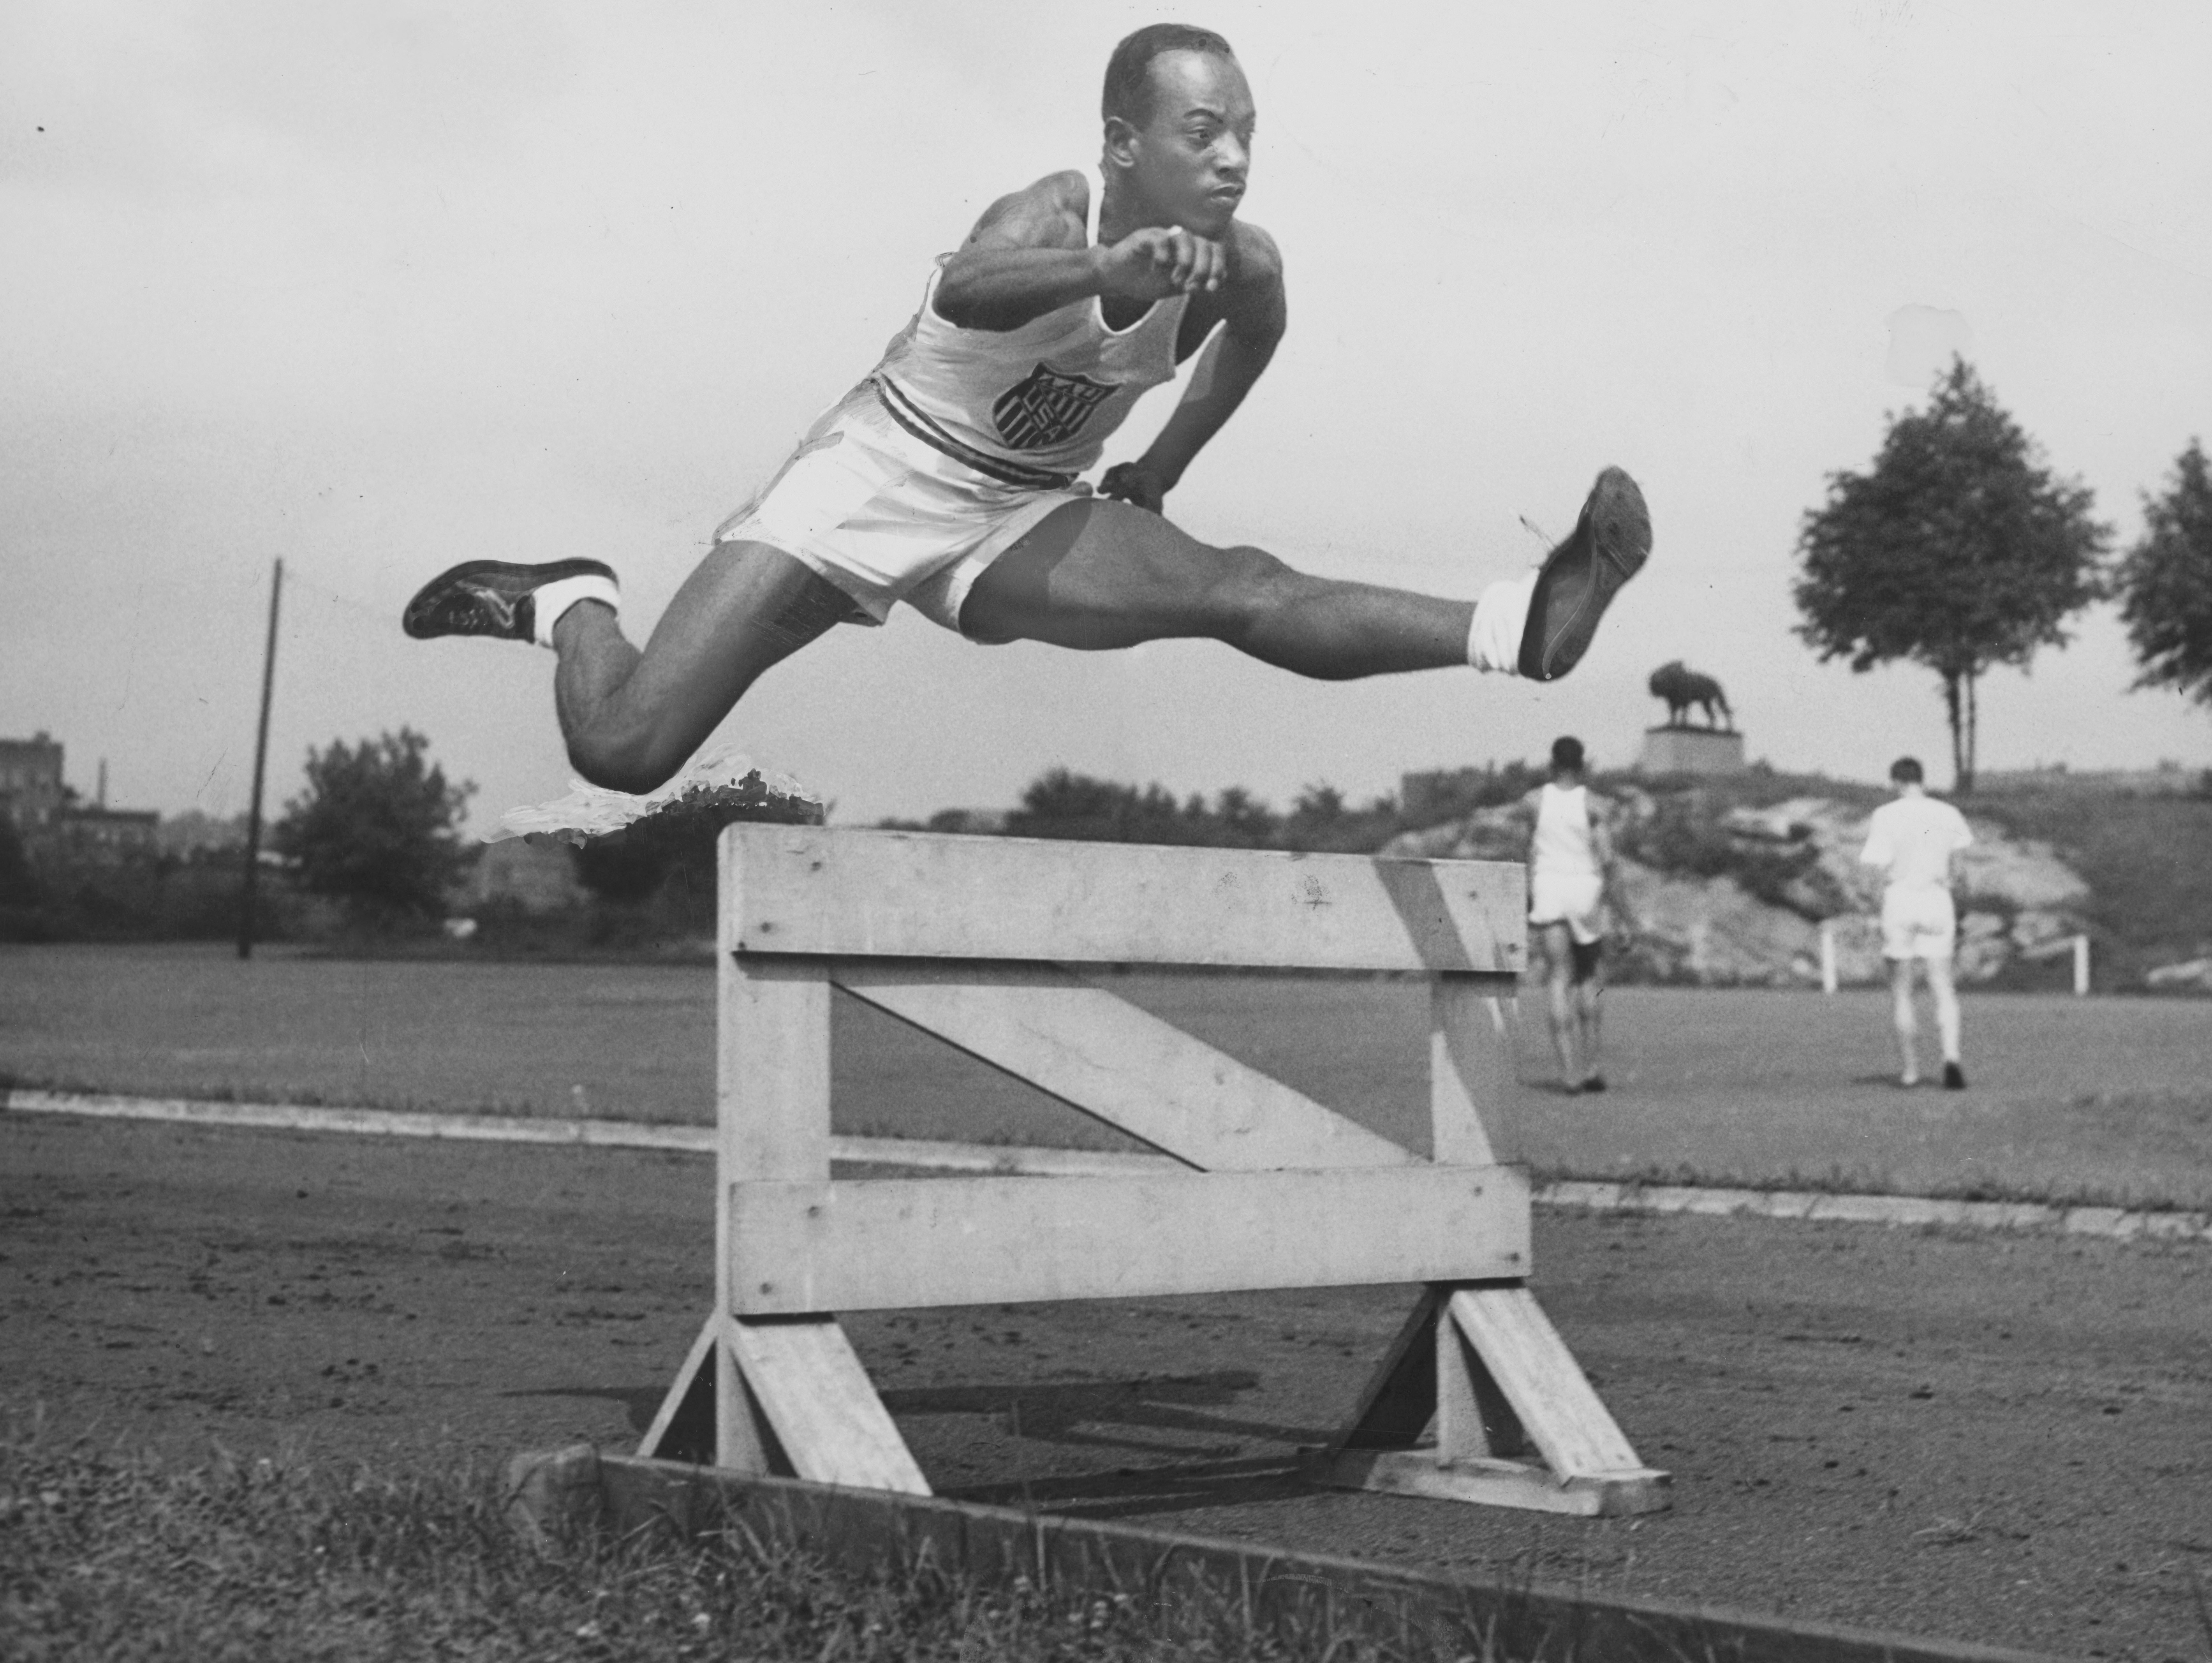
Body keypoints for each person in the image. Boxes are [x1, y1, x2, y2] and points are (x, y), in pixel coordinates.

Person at [401, 24, 1652, 796]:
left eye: (1248, 135)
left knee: (1239, 586)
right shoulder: (1052, 215)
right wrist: (1104, 277)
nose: (1234, 159)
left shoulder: (1246, 264)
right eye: (1203, 131)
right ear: (1125, 145)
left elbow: (1255, 339)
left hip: (1015, 514)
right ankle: (569, 601)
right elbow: (967, 286)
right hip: (872, 480)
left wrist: (1160, 466)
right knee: (624, 750)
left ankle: (1519, 628)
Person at [1858, 756, 1974, 1089]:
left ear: (1896, 781)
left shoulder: (1886, 815)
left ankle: (1910, 1071)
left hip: (1900, 900)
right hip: (1937, 899)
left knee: (1902, 991)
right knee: (1943, 987)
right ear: (1922, 779)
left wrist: (1871, 909)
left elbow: (1874, 869)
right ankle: (1951, 1059)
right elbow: (1961, 870)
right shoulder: (1949, 814)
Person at [1520, 736, 1626, 1094]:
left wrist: (1528, 896)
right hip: (1584, 891)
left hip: (1549, 889)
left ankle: (1569, 1075)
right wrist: (1626, 916)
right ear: (1583, 765)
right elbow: (1608, 860)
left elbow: (1529, 852)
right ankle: (1592, 1066)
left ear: (1551, 764)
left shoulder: (1533, 802)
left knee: (1558, 978)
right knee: (1589, 977)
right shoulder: (1595, 805)